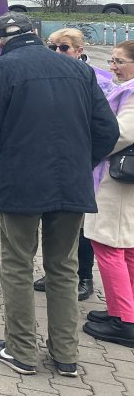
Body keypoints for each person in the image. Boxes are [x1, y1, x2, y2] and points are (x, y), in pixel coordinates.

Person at [0, 12, 117, 377]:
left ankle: (21, 351)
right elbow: (107, 130)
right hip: (71, 182)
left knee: (18, 266)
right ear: (36, 34)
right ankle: (65, 355)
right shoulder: (81, 71)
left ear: (1, 42)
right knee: (64, 268)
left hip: (21, 180)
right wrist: (80, 162)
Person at [31, 28, 106, 300]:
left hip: (85, 162)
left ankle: (83, 276)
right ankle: (56, 272)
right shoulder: (46, 74)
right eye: (52, 48)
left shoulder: (94, 78)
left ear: (79, 50)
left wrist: (89, 156)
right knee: (54, 220)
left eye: (64, 48)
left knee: (82, 224)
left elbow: (105, 126)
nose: (57, 53)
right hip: (52, 159)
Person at [84, 40, 134, 346]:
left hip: (116, 180)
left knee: (107, 246)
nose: (112, 66)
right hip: (123, 180)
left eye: (119, 61)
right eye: (111, 60)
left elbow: (120, 133)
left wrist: (86, 145)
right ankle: (124, 309)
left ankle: (124, 321)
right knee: (126, 249)